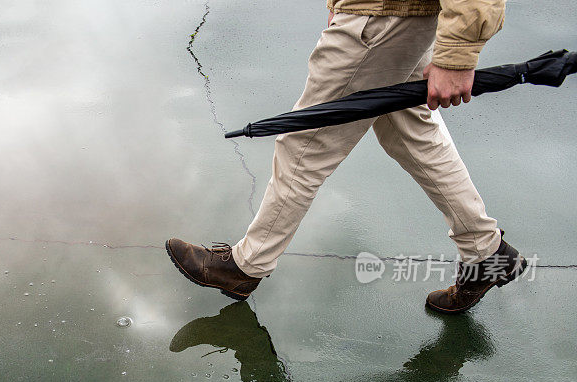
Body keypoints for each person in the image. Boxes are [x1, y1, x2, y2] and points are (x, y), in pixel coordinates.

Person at [166, 0, 527, 314]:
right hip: (384, 14)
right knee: (410, 130)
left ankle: (245, 267)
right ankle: (486, 251)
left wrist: (458, 51)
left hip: (383, 18)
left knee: (305, 145)